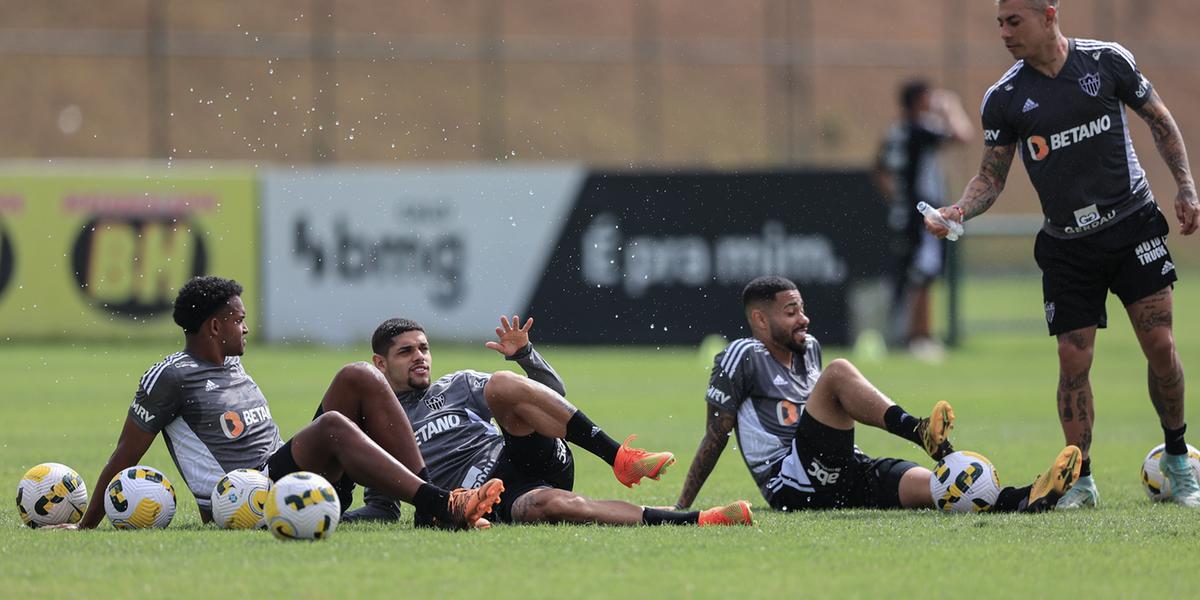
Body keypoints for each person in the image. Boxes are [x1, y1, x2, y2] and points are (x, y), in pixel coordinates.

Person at [923, 0, 1200, 508]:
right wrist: (960, 209)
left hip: (1132, 225)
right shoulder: (1005, 98)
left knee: (1160, 344)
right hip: (1068, 245)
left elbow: (1159, 121)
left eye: (1014, 21)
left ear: (1049, 15)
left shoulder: (1106, 61)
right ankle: (1080, 478)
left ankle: (1180, 463)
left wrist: (1185, 186)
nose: (1004, 33)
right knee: (1073, 360)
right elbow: (991, 176)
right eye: (999, 24)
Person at [62, 276, 502, 530]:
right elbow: (125, 453)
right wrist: (85, 527)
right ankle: (442, 504)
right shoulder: (172, 376)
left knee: (359, 376)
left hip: (276, 472)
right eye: (239, 320)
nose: (246, 329)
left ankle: (430, 508)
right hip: (239, 497)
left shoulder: (231, 364)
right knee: (332, 425)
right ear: (215, 327)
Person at [675, 276, 1081, 513]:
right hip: (792, 484)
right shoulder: (742, 357)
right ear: (760, 321)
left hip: (843, 471)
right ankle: (919, 430)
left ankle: (1027, 498)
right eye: (791, 312)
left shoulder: (809, 347)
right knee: (837, 374)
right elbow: (716, 436)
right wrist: (681, 509)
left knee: (941, 487)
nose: (804, 319)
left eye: (802, 309)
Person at [346, 315, 753, 527]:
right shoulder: (378, 428)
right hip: (486, 498)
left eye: (424, 348)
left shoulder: (456, 385)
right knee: (547, 505)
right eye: (406, 352)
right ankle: (699, 519)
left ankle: (620, 457)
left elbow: (550, 395)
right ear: (380, 364)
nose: (420, 357)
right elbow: (382, 507)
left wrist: (525, 357)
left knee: (504, 383)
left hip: (523, 450)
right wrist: (335, 513)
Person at [873, 79, 973, 360]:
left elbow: (880, 170)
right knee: (923, 274)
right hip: (922, 215)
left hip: (904, 213)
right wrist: (951, 106)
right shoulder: (921, 128)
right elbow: (963, 135)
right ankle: (919, 338)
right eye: (929, 97)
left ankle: (910, 336)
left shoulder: (896, 131)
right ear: (919, 101)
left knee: (911, 273)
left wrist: (899, 200)